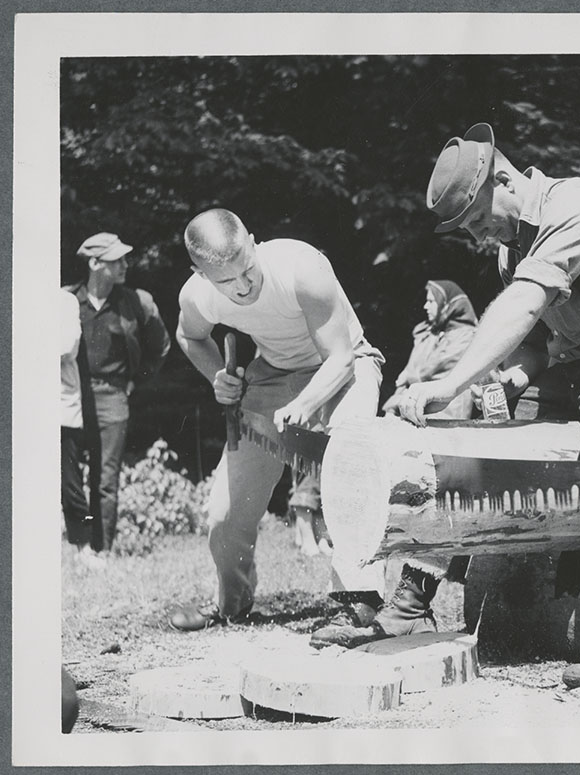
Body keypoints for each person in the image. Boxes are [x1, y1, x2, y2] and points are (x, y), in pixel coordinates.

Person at [397, 122, 580, 691]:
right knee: (470, 417)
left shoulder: (576, 205)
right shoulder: (515, 247)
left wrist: (452, 377)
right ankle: (414, 592)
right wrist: (507, 382)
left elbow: (525, 304)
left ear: (503, 180)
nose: (484, 236)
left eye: (482, 220)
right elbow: (536, 344)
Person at [167, 208, 392, 633]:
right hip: (271, 374)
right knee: (224, 513)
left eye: (247, 270)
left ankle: (360, 603)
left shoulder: (301, 266)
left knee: (351, 462)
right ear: (200, 273)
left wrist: (307, 406)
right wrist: (222, 377)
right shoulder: (197, 295)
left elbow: (341, 358)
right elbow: (189, 336)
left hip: (345, 366)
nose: (243, 286)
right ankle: (232, 605)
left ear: (254, 241)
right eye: (226, 281)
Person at [66, 233, 170, 554]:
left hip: (112, 398)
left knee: (105, 479)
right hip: (71, 398)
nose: (126, 264)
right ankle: (80, 541)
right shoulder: (68, 300)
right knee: (67, 474)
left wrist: (135, 381)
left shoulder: (135, 303)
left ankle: (101, 549)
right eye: (117, 259)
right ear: (95, 264)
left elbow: (160, 348)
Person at [381, 279, 479, 419]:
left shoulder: (466, 336)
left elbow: (425, 371)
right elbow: (412, 368)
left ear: (447, 305)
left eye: (432, 302)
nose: (426, 306)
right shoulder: (429, 334)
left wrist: (407, 377)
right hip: (418, 405)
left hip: (447, 412)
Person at [59, 288, 104, 569]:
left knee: (71, 481)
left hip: (60, 407)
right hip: (20, 406)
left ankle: (84, 548)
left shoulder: (64, 301)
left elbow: (65, 346)